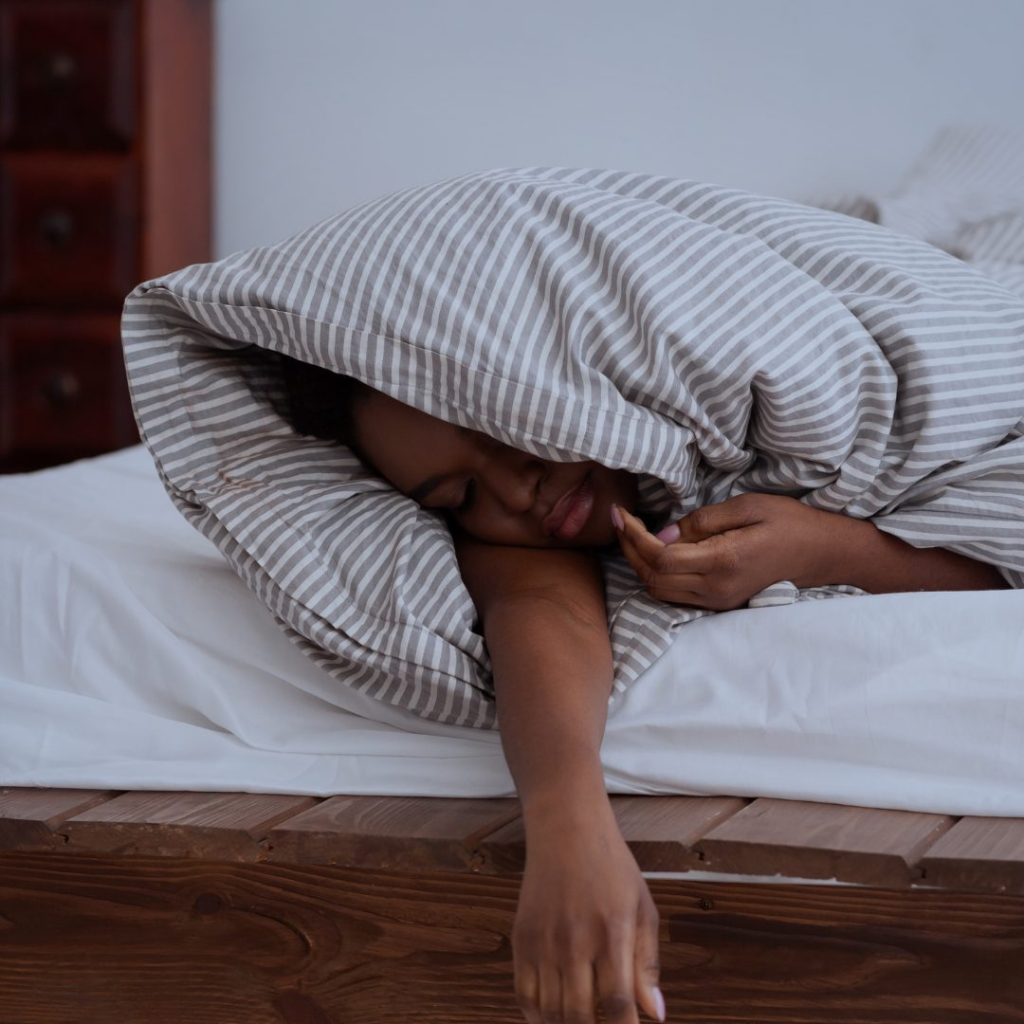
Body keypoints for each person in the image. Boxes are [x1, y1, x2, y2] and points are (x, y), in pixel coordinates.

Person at [280, 352, 1009, 1024]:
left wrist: (824, 547)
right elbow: (538, 609)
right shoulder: (512, 531)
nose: (512, 491)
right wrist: (569, 831)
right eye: (461, 495)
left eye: (503, 432)